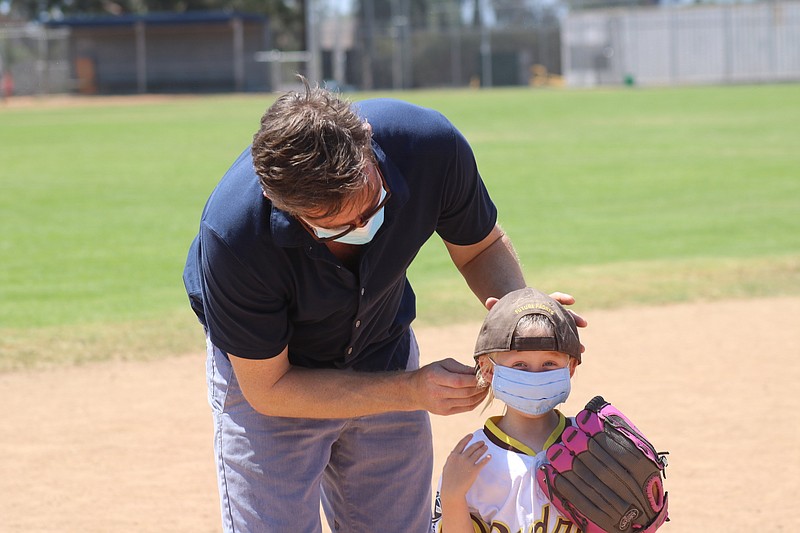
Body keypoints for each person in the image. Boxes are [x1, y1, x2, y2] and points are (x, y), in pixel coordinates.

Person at [183, 78, 583, 532]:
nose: (362, 224)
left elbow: (479, 248)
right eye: (337, 225)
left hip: (382, 346)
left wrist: (522, 317)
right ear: (285, 207)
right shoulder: (235, 237)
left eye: (372, 204)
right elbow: (268, 388)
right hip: (281, 381)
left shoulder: (429, 147)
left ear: (367, 142)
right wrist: (411, 391)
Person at [431, 287, 583, 533]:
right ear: (488, 369)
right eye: (520, 364)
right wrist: (452, 496)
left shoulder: (591, 443)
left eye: (549, 363)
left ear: (571, 367)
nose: (535, 374)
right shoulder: (473, 459)